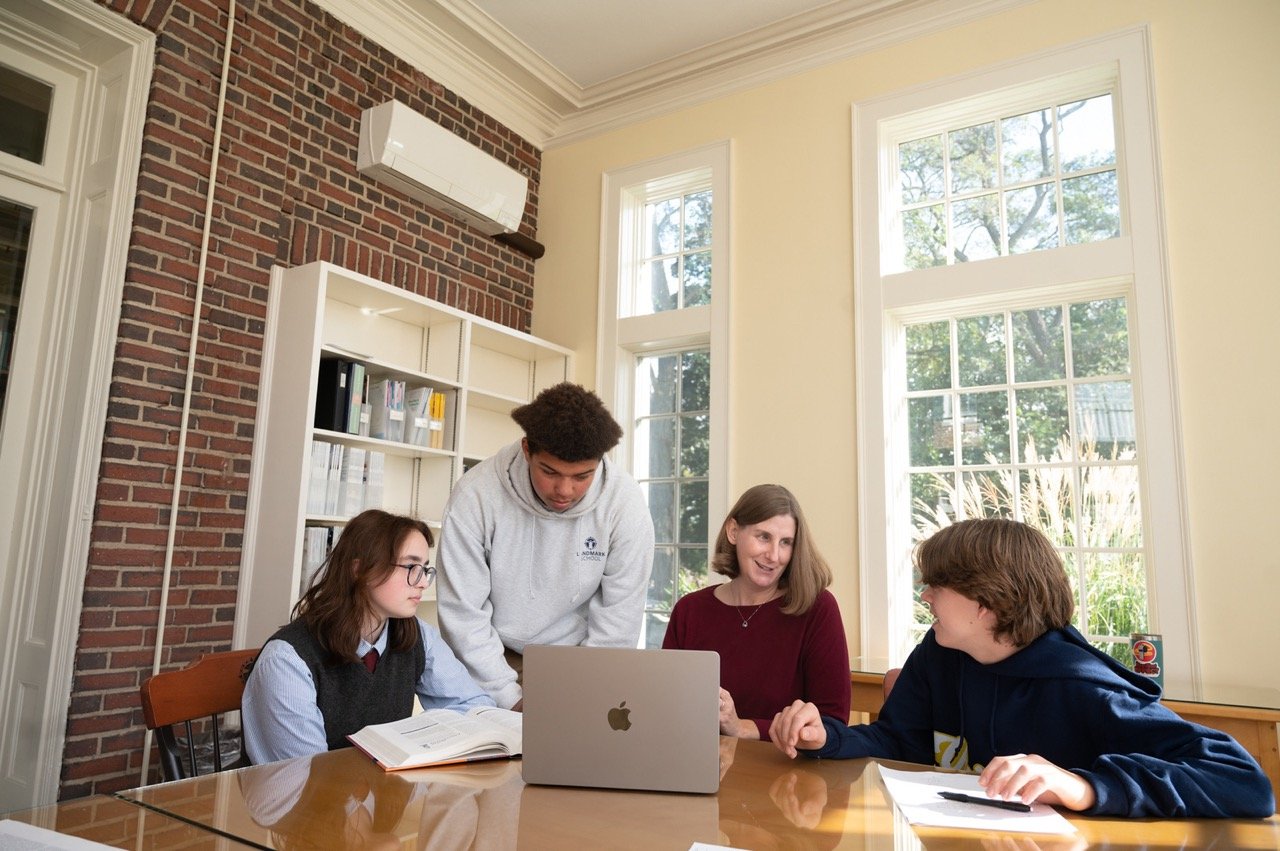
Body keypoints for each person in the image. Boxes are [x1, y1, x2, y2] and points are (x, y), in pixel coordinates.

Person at [769, 518, 1276, 819]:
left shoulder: (1079, 684)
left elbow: (1244, 783)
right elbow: (899, 740)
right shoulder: (940, 653)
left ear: (986, 603)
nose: (925, 597)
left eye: (936, 587)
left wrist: (1083, 787)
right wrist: (828, 739)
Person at [436, 382, 655, 710]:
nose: (564, 490)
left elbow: (618, 618)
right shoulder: (475, 496)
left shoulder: (625, 504)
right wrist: (508, 699)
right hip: (493, 655)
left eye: (582, 476)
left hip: (580, 660)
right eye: (550, 472)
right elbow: (463, 613)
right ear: (527, 450)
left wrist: (584, 693)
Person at [242, 509, 492, 764]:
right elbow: (310, 778)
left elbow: (477, 711)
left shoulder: (418, 636)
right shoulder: (286, 661)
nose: (422, 583)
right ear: (360, 570)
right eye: (410, 566)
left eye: (424, 569)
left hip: (383, 795)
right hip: (304, 800)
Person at [663, 484, 850, 741]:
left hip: (789, 773)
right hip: (701, 768)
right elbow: (665, 708)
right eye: (763, 537)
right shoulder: (689, 610)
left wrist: (740, 727)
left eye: (786, 542)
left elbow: (833, 724)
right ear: (733, 531)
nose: (774, 555)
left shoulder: (818, 608)